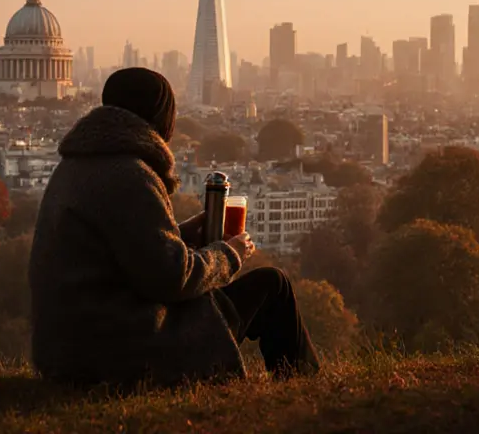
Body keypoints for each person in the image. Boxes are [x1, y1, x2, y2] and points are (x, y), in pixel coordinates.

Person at [28, 67, 320, 391]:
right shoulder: (131, 174)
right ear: (160, 117)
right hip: (117, 350)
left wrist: (178, 235)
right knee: (273, 286)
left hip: (67, 346)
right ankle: (305, 391)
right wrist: (228, 254)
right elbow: (170, 278)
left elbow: (123, 253)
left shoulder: (75, 166)